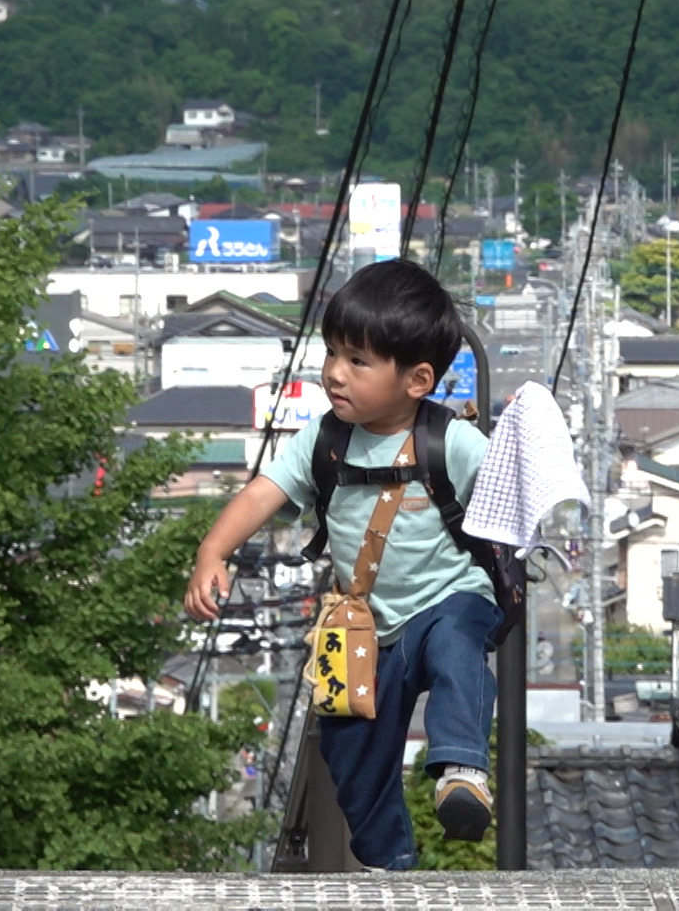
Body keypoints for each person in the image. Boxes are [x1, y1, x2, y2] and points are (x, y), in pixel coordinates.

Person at [185, 258, 497, 871]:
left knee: (456, 647)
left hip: (449, 597)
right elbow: (262, 493)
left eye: (358, 361)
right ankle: (387, 862)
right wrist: (212, 551)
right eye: (332, 353)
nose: (334, 373)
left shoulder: (452, 441)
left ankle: (461, 771)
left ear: (417, 380)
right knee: (348, 746)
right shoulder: (323, 440)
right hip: (363, 622)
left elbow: (505, 498)